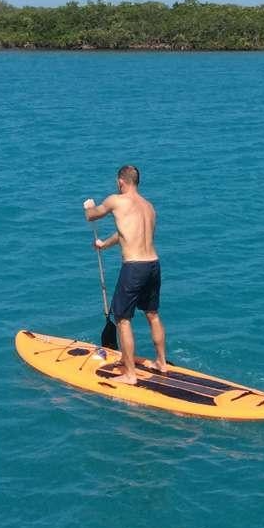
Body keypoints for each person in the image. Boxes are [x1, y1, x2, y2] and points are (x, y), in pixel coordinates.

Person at [82, 164, 167, 384]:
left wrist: (88, 206)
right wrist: (103, 244)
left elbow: (92, 216)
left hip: (134, 267)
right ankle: (161, 362)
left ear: (121, 181)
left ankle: (130, 375)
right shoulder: (149, 207)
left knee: (122, 319)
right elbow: (127, 234)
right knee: (152, 314)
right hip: (153, 264)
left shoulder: (116, 200)